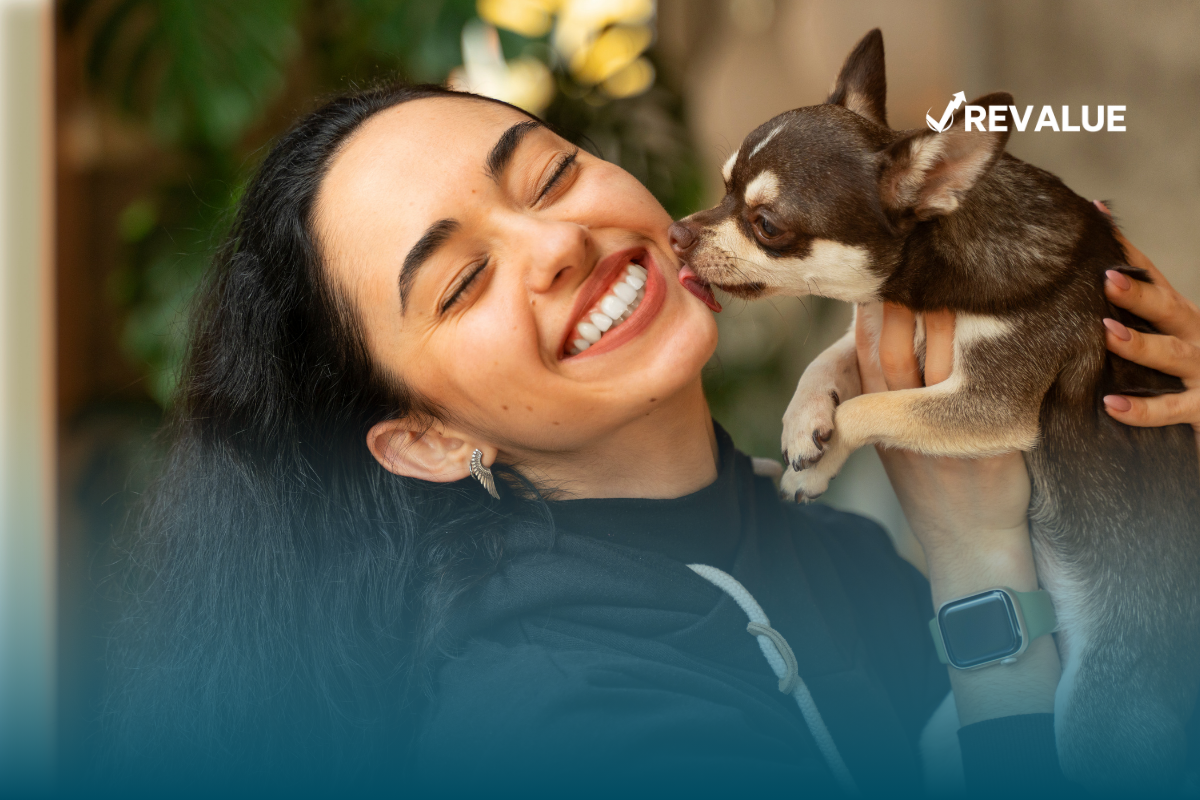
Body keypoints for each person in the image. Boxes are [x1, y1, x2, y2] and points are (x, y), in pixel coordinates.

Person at [102, 84, 1200, 798]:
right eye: (466, 279)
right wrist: (974, 564)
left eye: (550, 173)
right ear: (429, 440)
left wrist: (1150, 449)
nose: (559, 241)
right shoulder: (561, 720)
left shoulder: (797, 533)